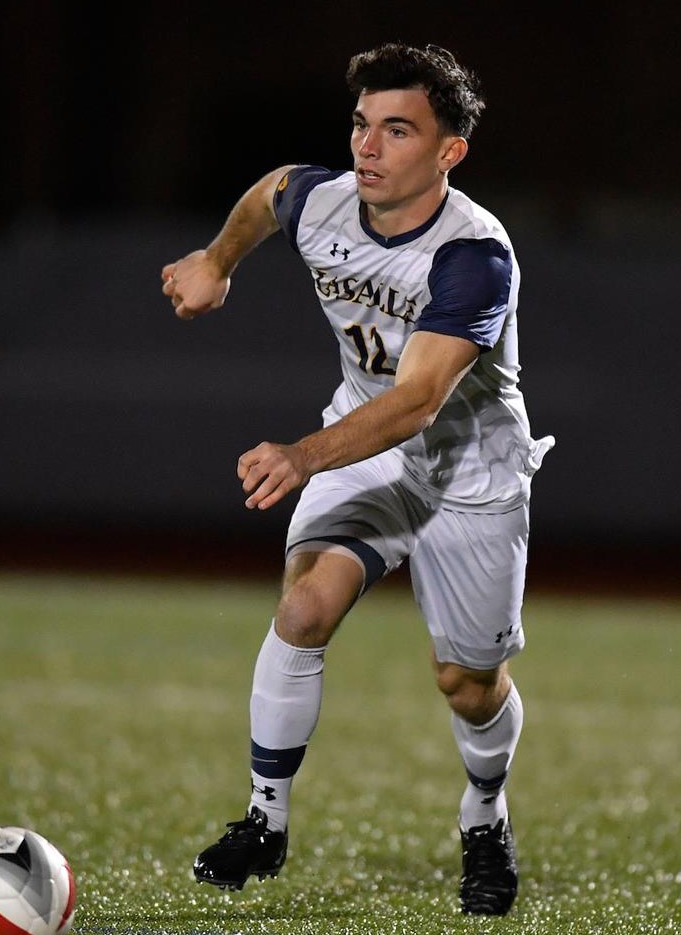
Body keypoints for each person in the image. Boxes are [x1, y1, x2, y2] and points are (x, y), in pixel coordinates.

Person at [159, 42, 552, 916]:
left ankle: (484, 815)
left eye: (397, 130)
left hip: (469, 472)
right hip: (364, 445)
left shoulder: (474, 255)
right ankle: (265, 818)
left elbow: (417, 401)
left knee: (468, 682)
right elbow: (272, 192)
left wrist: (302, 454)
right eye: (361, 125)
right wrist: (218, 261)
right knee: (303, 607)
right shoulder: (326, 199)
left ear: (449, 152)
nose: (368, 147)